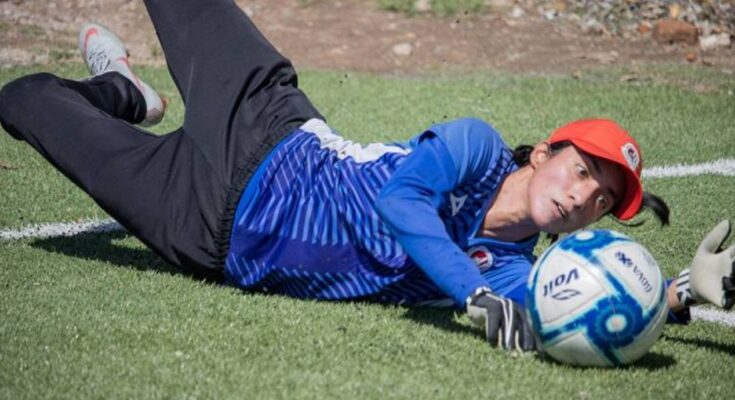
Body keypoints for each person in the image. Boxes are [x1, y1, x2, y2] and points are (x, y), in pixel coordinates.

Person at [0, 0, 732, 352]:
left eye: (600, 200)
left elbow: (576, 309)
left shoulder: (512, 270)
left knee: (22, 100)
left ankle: (123, 96)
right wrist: (469, 291)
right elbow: (399, 200)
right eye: (581, 172)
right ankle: (127, 95)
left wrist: (674, 296)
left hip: (204, 232)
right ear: (543, 153)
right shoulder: (473, 150)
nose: (580, 199)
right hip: (267, 125)